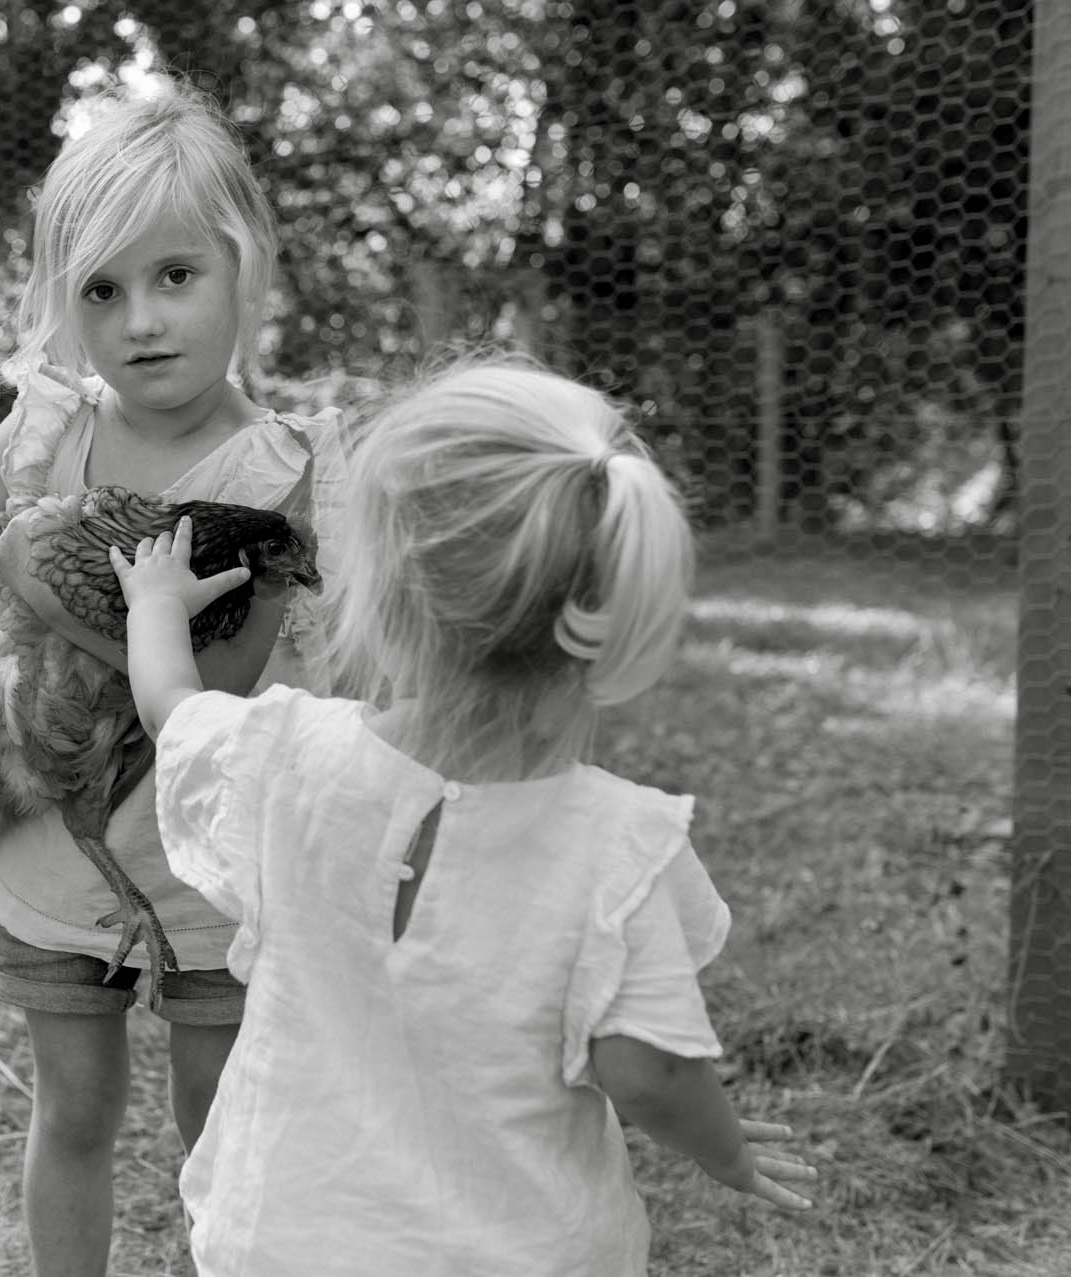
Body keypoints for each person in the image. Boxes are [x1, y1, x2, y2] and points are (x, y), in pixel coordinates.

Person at [108, 360, 817, 1276]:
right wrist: (724, 1148)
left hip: (286, 1232)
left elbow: (172, 707)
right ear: (605, 610)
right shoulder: (621, 849)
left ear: (383, 589)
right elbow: (650, 1073)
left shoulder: (282, 757)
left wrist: (156, 605)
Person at [0, 76, 343, 1276]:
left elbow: (220, 689)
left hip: (207, 873)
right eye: (101, 289)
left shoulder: (271, 470)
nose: (140, 319)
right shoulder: (47, 434)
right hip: (53, 858)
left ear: (245, 268)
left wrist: (59, 601)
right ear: (62, 305)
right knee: (72, 1113)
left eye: (175, 276)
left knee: (217, 1131)